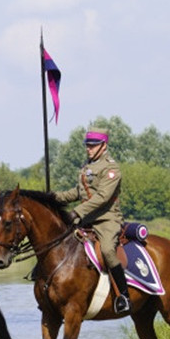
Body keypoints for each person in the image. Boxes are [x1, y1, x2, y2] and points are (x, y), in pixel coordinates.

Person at [55, 129, 130, 314]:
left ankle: (124, 295)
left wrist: (76, 212)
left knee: (106, 250)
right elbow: (78, 192)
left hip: (106, 218)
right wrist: (54, 197)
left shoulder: (111, 168)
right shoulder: (88, 165)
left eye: (93, 145)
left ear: (103, 146)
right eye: (87, 145)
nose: (88, 149)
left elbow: (103, 197)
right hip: (87, 218)